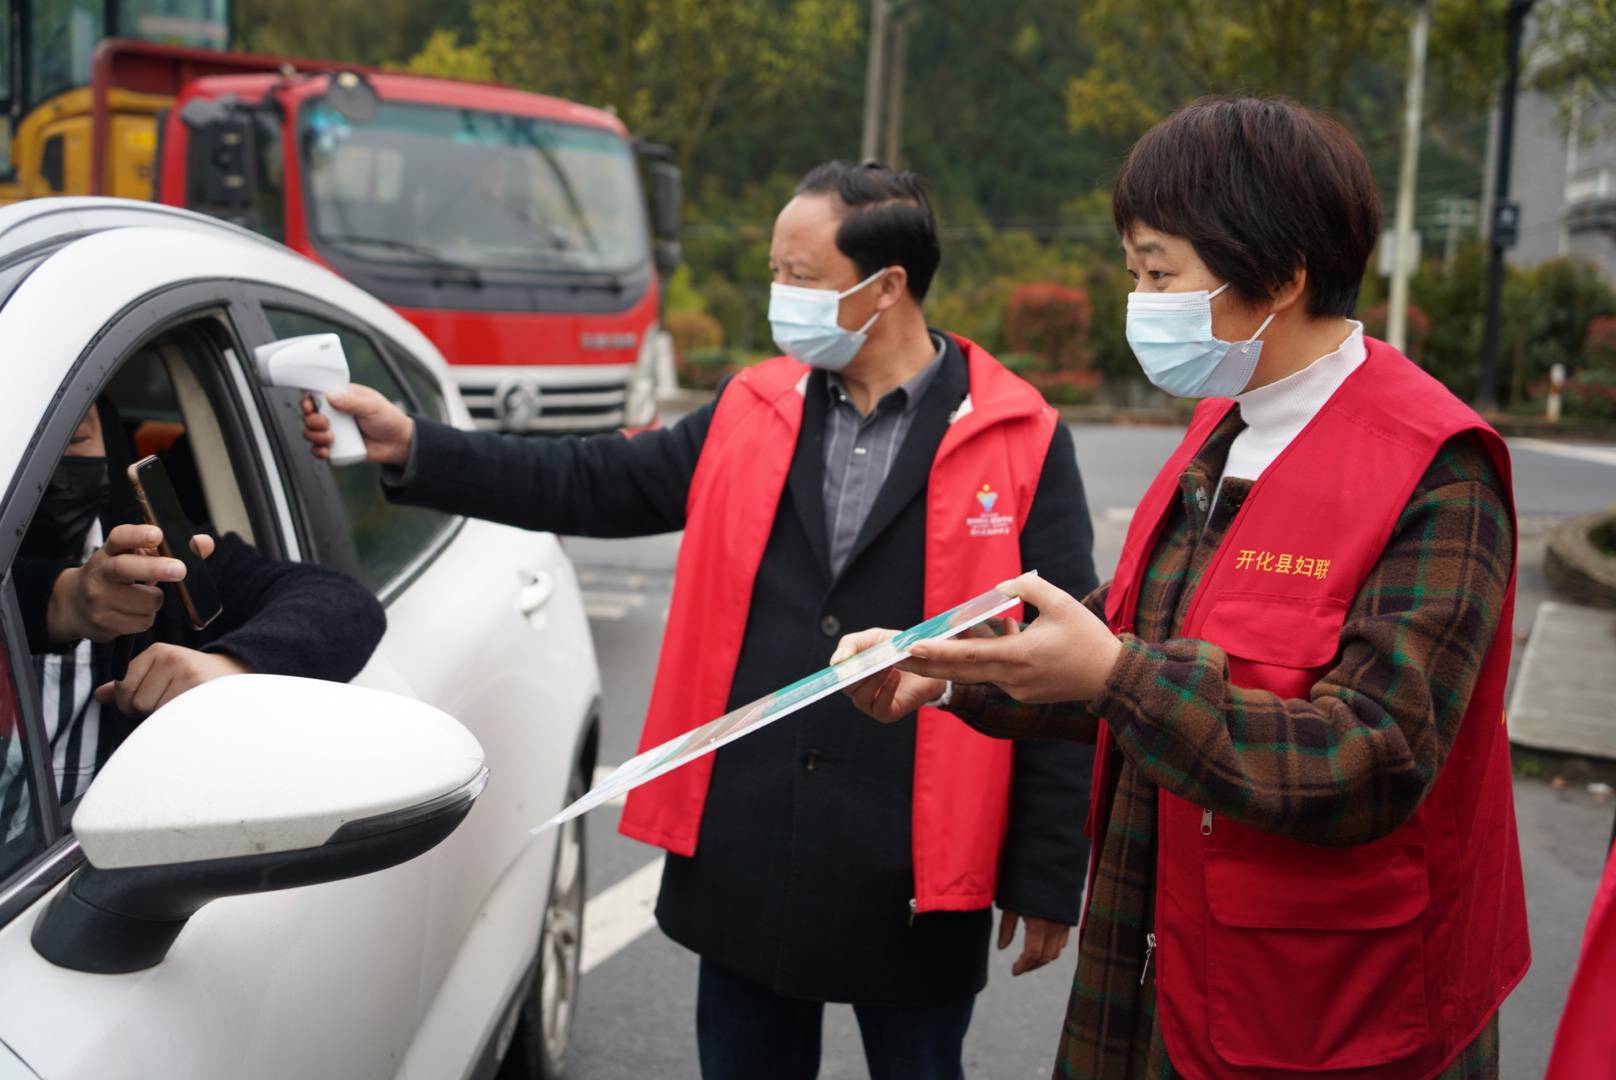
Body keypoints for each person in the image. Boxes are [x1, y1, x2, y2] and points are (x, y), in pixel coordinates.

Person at [304, 160, 1100, 1079]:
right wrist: (417, 445)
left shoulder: (1019, 433)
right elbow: (591, 480)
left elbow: (1060, 664)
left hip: (912, 860)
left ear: (885, 289)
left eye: (801, 277)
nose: (780, 296)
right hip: (747, 836)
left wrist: (1046, 875)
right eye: (774, 271)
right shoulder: (749, 407)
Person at [838, 98, 1527, 1080]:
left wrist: (1117, 674)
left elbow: (1373, 755)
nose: (1140, 299)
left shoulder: (1433, 468)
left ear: (1280, 277)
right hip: (1158, 961)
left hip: (1332, 1009)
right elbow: (1126, 645)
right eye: (1134, 272)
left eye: (1160, 272)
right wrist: (944, 672)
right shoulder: (1223, 426)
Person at [13, 401, 387, 802]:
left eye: (73, 438)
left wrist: (230, 668)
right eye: (10, 447)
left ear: (110, 440)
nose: (37, 466)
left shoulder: (159, 557)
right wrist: (57, 604)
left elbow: (346, 604)